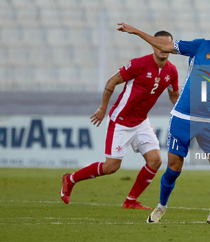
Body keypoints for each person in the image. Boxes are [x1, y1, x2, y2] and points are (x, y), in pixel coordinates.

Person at [117, 12, 210, 224]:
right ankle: (161, 206)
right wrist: (135, 31)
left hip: (209, 122)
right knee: (174, 168)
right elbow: (165, 47)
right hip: (183, 116)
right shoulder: (201, 46)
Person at [60, 30, 180, 210]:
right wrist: (102, 108)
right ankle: (70, 179)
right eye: (159, 44)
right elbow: (111, 82)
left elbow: (174, 97)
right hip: (121, 121)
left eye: (167, 45)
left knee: (155, 160)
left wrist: (187, 109)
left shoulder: (171, 71)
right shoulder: (138, 64)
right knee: (111, 167)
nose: (163, 48)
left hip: (141, 122)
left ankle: (130, 201)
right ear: (152, 45)